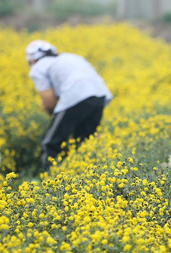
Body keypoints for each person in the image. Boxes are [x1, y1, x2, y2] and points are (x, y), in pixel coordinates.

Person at [25, 40, 113, 172]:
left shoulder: (38, 67)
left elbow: (49, 100)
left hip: (76, 95)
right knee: (86, 141)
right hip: (99, 95)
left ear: (33, 60)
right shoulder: (70, 56)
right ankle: (97, 174)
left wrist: (54, 116)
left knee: (51, 144)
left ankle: (50, 180)